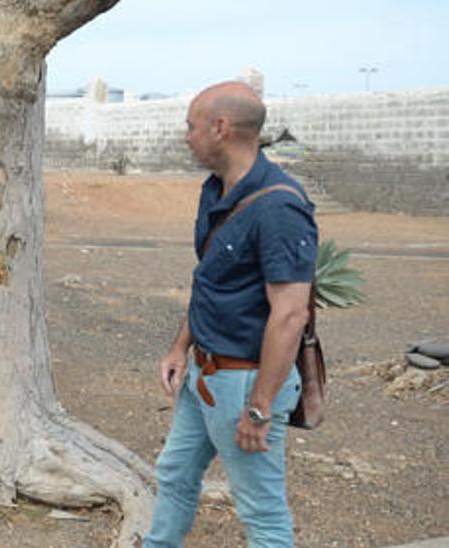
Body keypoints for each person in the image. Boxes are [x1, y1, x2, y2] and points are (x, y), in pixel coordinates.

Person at [145, 81, 317, 547]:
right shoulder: (217, 189)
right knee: (175, 472)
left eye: (191, 126)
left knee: (261, 512)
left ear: (221, 128)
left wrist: (259, 408)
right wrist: (181, 346)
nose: (186, 136)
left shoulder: (280, 206)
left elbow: (289, 314)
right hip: (204, 372)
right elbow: (212, 278)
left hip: (244, 382)